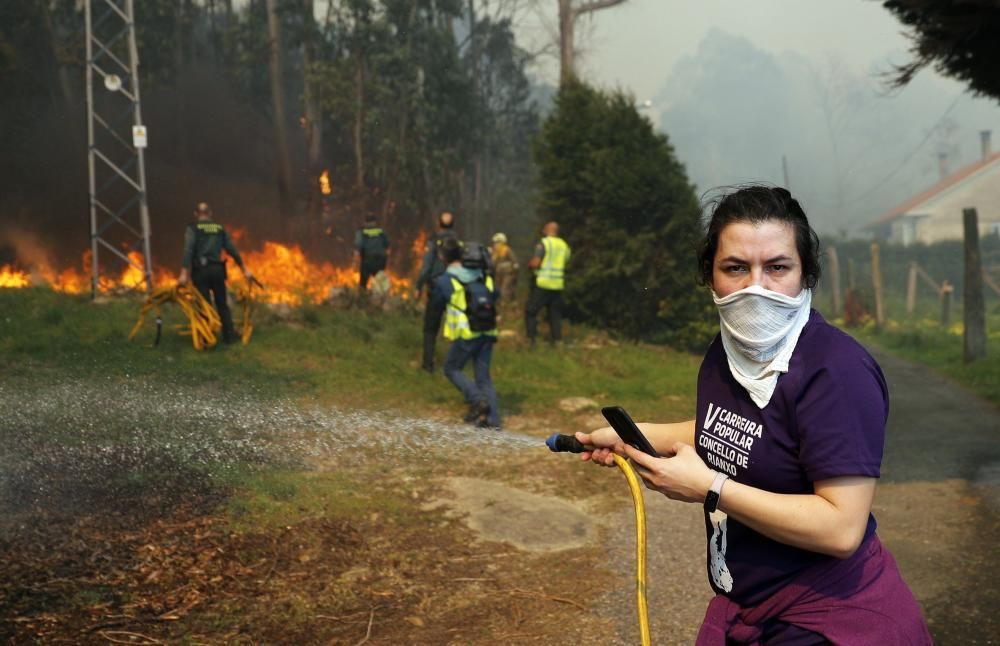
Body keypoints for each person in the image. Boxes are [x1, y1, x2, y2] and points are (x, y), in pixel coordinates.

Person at [576, 186, 931, 645]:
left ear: (806, 275)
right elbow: (747, 430)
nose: (755, 288)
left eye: (777, 267)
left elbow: (842, 528)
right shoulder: (725, 355)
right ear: (710, 276)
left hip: (826, 622)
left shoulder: (836, 370)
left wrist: (710, 488)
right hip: (758, 614)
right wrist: (638, 435)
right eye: (735, 268)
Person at [428, 238, 501, 429]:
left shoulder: (446, 280)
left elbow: (436, 304)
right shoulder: (483, 276)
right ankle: (493, 421)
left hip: (467, 334)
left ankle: (478, 401)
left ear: (442, 257)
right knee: (483, 377)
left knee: (452, 368)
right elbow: (495, 295)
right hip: (488, 330)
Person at [178, 202, 253, 344]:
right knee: (222, 304)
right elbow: (232, 250)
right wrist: (244, 269)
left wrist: (183, 273)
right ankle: (229, 337)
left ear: (196, 214)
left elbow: (188, 250)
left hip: (201, 271)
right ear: (210, 214)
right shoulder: (219, 228)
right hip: (218, 270)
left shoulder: (193, 228)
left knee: (204, 304)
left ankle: (207, 338)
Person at [414, 211, 459, 372]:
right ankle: (456, 363)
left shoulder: (434, 240)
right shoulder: (457, 241)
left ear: (439, 224)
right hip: (455, 286)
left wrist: (418, 286)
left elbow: (426, 267)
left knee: (430, 328)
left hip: (437, 287)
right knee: (456, 326)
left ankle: (428, 364)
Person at [525, 221, 570, 345]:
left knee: (531, 311)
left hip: (543, 283)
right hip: (558, 284)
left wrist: (529, 266)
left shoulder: (544, 243)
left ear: (547, 230)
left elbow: (536, 262)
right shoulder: (564, 245)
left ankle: (531, 339)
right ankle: (557, 340)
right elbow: (566, 260)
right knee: (555, 314)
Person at [353, 214, 390, 290]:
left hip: (367, 261)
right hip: (381, 261)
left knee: (363, 285)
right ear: (375, 222)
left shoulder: (362, 232)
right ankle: (381, 299)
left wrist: (355, 265)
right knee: (380, 285)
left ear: (365, 222)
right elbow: (388, 248)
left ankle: (362, 298)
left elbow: (357, 250)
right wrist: (385, 260)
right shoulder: (381, 231)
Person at [490, 232, 519, 318]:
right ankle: (506, 310)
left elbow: (515, 262)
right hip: (498, 275)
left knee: (504, 291)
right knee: (498, 291)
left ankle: (503, 313)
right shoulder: (494, 253)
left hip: (508, 274)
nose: (495, 245)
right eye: (495, 243)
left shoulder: (507, 250)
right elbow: (492, 264)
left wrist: (515, 273)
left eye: (497, 242)